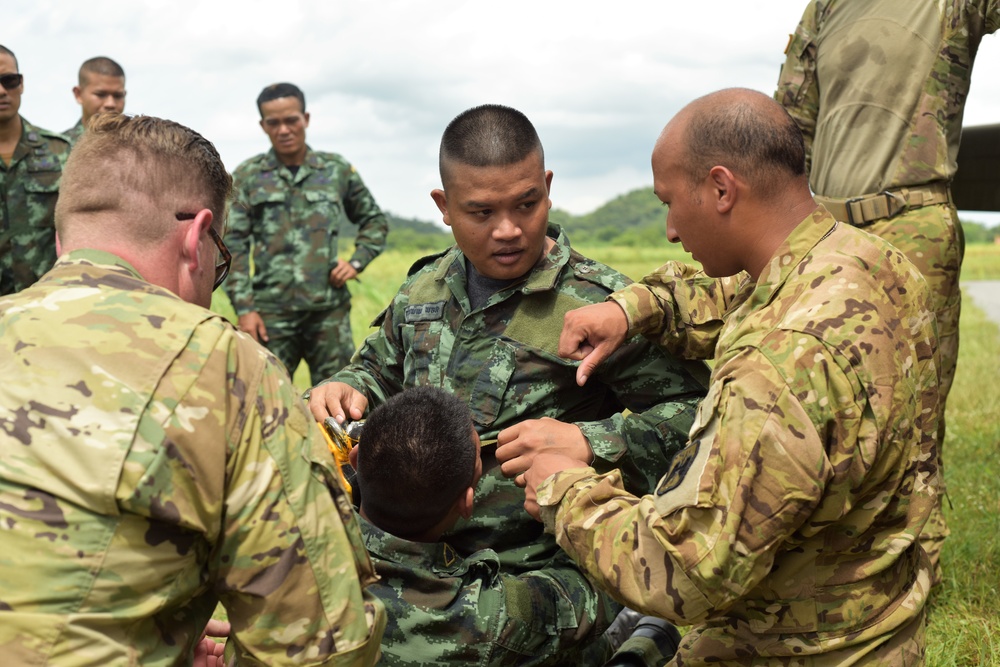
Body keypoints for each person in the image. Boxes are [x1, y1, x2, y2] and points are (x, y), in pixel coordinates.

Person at [523, 89, 941, 665]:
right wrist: (632, 309)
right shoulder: (870, 263)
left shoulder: (777, 372)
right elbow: (736, 296)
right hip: (879, 625)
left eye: (670, 202)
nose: (670, 229)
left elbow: (687, 573)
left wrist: (562, 486)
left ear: (721, 189)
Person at [308, 103, 709, 657]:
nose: (509, 231)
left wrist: (589, 442)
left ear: (547, 187)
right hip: (417, 577)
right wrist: (347, 384)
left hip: (540, 595)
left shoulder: (602, 306)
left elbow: (697, 419)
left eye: (527, 204)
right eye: (481, 212)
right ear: (444, 207)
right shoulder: (424, 287)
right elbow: (380, 366)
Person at [0, 112, 385, 665]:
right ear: (197, 237)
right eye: (220, 263)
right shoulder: (228, 366)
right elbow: (320, 647)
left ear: (63, 237)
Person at [774, 0, 999, 579]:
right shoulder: (825, 8)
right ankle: (831, 561)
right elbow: (791, 123)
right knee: (822, 398)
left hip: (914, 223)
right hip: (828, 227)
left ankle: (915, 569)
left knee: (915, 410)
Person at [352, 385, 635, 665]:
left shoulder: (311, 541)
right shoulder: (485, 619)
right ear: (466, 504)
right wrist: (571, 496)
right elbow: (585, 596)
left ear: (354, 459)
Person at [226, 82, 389, 384]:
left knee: (341, 400)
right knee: (261, 398)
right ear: (263, 126)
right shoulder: (249, 176)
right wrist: (245, 309)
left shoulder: (335, 170)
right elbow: (232, 242)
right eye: (274, 123)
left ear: (306, 119)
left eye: (292, 120)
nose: (284, 130)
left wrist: (356, 262)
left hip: (327, 314)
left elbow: (374, 221)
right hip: (271, 315)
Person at [0, 44, 71, 295]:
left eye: (9, 81)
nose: (2, 91)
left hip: (47, 306)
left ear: (21, 84)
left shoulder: (61, 152)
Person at [62, 56, 126, 144]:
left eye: (118, 95)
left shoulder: (140, 148)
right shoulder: (55, 150)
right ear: (78, 94)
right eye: (101, 95)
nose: (111, 104)